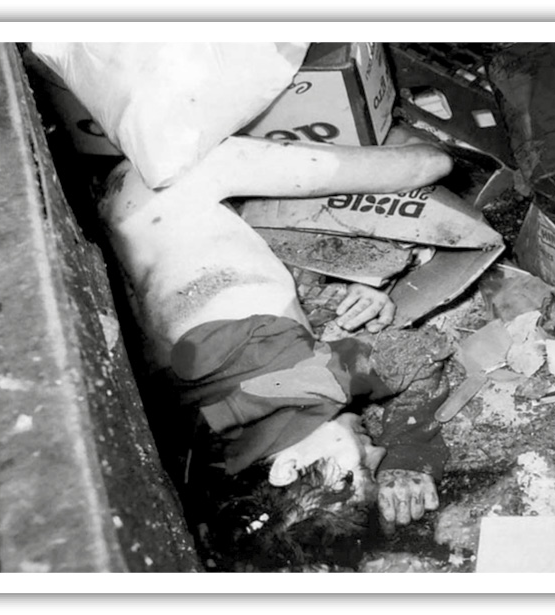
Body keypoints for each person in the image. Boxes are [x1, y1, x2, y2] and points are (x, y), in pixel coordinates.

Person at [96, 132, 456, 570]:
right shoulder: (211, 461)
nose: (374, 456)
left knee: (435, 164)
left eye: (357, 472)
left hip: (165, 184)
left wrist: (409, 448)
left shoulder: (315, 380)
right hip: (126, 219)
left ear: (287, 468)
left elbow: (419, 353)